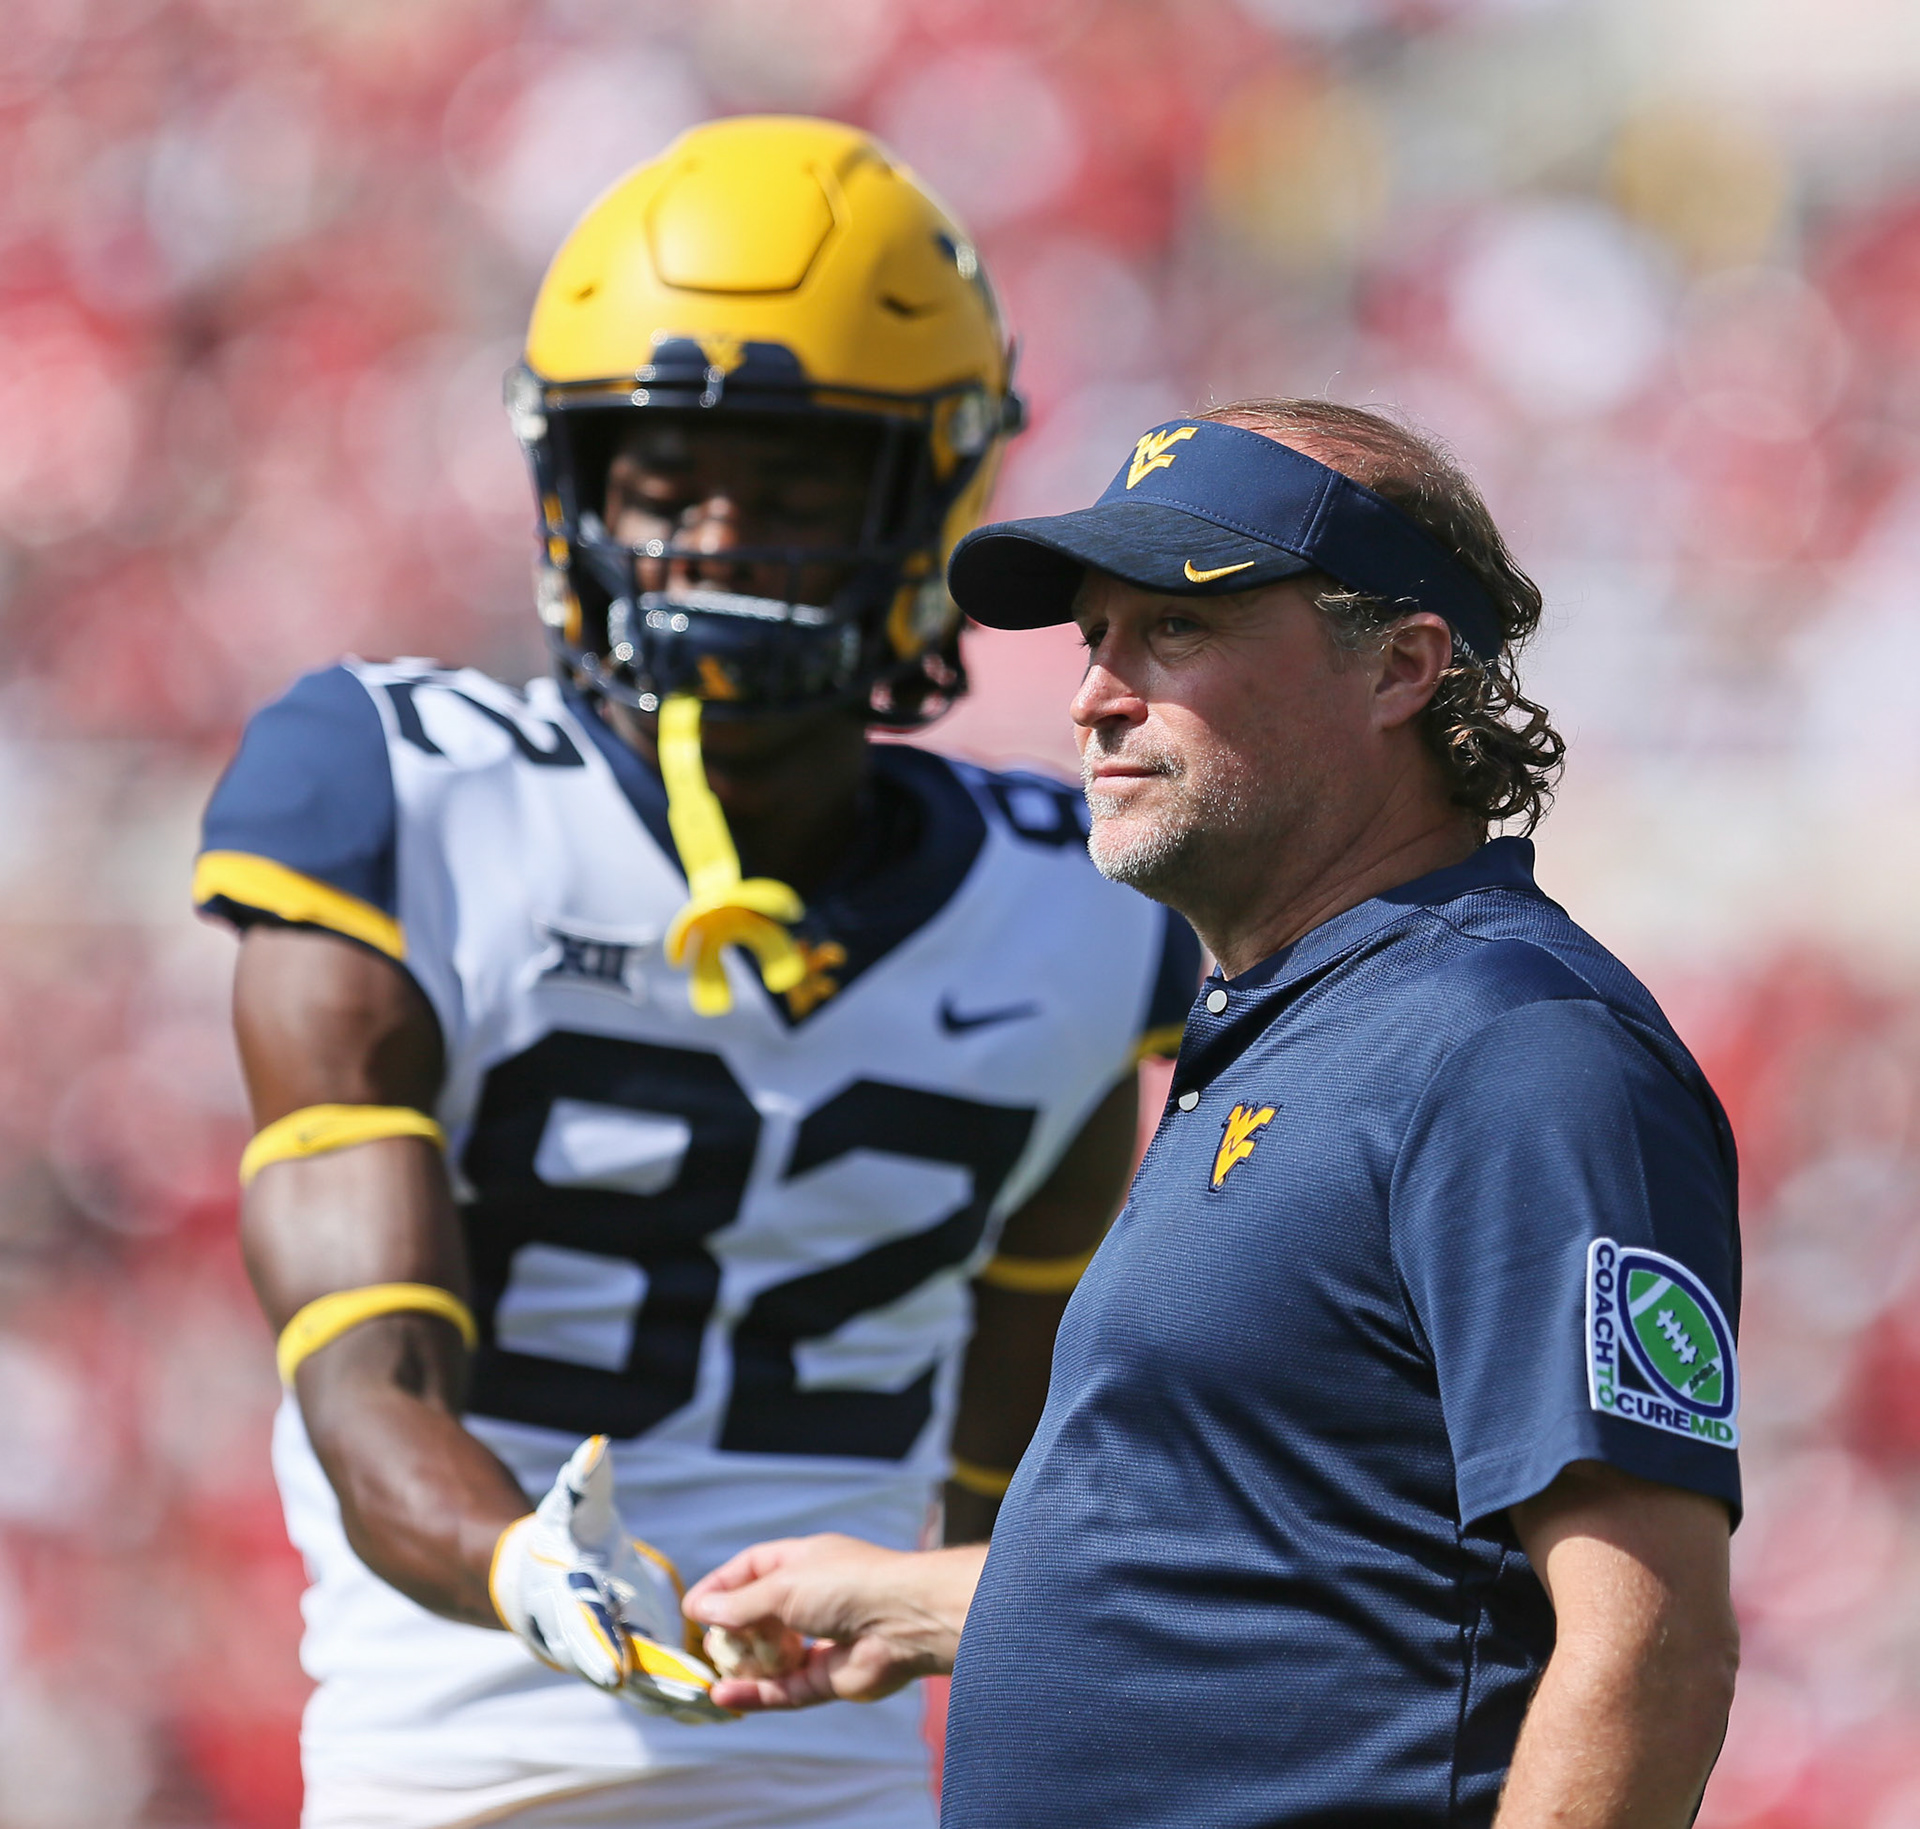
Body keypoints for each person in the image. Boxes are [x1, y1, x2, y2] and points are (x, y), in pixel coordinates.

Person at [192, 116, 1197, 1829]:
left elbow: (1013, 1462)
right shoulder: (402, 795)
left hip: (836, 1779)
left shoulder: (1088, 907)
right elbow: (365, 1374)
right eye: (662, 471)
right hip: (449, 1765)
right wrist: (522, 1565)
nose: (719, 528)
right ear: (576, 485)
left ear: (925, 493)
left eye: (797, 476)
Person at [683, 399, 1745, 1829]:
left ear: (1404, 665)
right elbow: (1285, 1548)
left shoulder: (1514, 1043)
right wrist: (920, 1604)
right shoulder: (1304, 1021)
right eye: (1092, 638)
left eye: (1174, 631)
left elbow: (1649, 1636)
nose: (1095, 696)